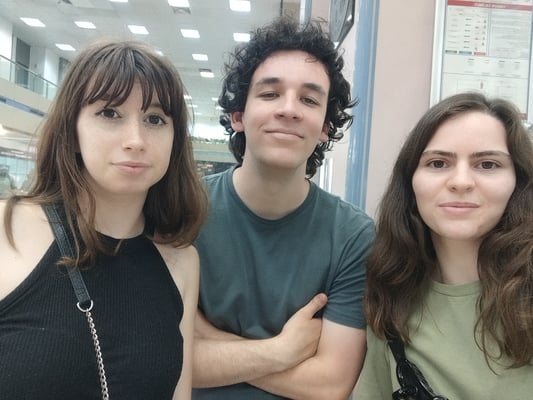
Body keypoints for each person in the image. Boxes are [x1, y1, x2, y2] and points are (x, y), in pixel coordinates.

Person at [0, 40, 207, 399]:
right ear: (72, 130)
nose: (136, 140)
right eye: (110, 113)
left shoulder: (180, 260)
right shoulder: (9, 228)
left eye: (155, 119)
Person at [192, 17, 375, 399]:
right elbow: (166, 356)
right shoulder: (184, 211)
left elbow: (330, 385)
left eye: (309, 100)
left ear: (325, 127)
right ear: (238, 115)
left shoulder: (353, 236)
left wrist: (208, 341)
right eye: (270, 93)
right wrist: (282, 351)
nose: (289, 110)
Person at [355, 92, 533, 399]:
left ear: (518, 182)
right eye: (438, 163)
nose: (460, 182)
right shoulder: (390, 297)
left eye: (487, 164)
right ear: (410, 183)